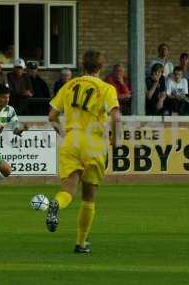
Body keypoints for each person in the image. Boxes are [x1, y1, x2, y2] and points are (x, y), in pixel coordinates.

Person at [46, 49, 120, 253]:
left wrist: (64, 134)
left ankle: (56, 204)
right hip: (93, 143)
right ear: (101, 66)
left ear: (83, 65)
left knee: (67, 190)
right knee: (88, 197)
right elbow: (116, 117)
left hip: (71, 140)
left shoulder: (69, 85)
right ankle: (80, 243)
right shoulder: (106, 88)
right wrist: (116, 140)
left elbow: (51, 116)